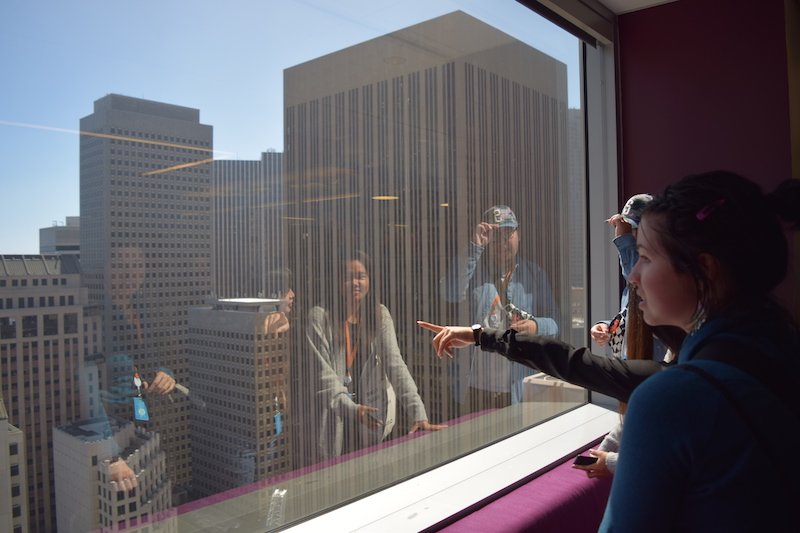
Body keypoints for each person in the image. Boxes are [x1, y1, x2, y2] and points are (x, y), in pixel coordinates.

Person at [424, 171, 800, 531]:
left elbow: (588, 363)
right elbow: (590, 365)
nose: (633, 276)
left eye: (646, 258)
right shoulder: (771, 351)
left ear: (705, 270)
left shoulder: (676, 399)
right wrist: (483, 336)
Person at [307, 250, 446, 461]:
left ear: (369, 280)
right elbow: (323, 376)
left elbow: (395, 364)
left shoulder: (379, 315)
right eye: (347, 277)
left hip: (370, 420)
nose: (355, 282)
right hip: (335, 421)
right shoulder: (320, 317)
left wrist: (418, 413)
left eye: (361, 276)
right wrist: (353, 410)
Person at [440, 205, 558, 413]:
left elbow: (557, 322)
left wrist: (536, 326)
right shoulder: (474, 272)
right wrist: (475, 246)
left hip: (518, 388)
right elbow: (450, 292)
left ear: (518, 235)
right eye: (495, 236)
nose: (501, 242)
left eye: (508, 234)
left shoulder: (534, 275)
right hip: (474, 389)